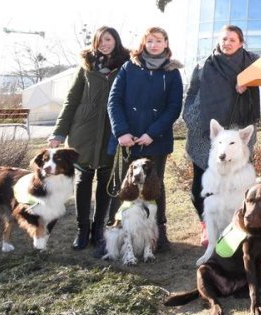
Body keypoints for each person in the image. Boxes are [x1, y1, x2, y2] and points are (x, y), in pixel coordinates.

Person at [47, 26, 130, 251]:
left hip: (110, 132)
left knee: (105, 179)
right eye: (100, 40)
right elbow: (71, 101)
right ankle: (82, 229)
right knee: (83, 181)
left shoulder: (126, 66)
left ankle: (98, 229)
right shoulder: (86, 67)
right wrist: (58, 132)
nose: (104, 43)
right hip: (83, 132)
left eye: (109, 39)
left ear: (116, 41)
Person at [104, 26, 183, 253]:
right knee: (124, 185)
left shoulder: (172, 73)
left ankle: (159, 233)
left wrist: (152, 133)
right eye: (150, 41)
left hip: (155, 141)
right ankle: (116, 233)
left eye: (159, 41)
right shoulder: (129, 67)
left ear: (166, 43)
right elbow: (114, 101)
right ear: (144, 43)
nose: (154, 45)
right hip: (127, 140)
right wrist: (121, 132)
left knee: (154, 187)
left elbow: (173, 107)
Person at [183, 25, 260, 245]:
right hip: (205, 130)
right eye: (224, 39)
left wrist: (247, 77)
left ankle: (236, 225)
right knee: (202, 181)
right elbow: (191, 92)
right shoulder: (205, 63)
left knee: (238, 182)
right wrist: (190, 115)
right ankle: (207, 225)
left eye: (232, 40)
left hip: (238, 129)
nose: (227, 43)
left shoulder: (252, 62)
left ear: (241, 43)